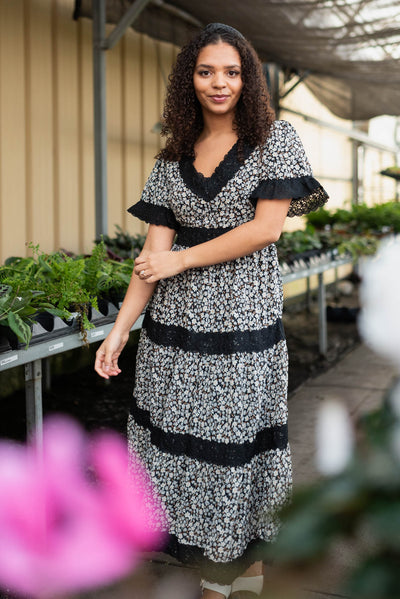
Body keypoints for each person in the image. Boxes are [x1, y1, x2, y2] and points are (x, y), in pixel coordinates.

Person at [95, 23, 328, 599]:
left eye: (230, 71)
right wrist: (120, 330)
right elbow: (151, 259)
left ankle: (235, 578)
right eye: (205, 71)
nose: (218, 83)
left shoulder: (276, 140)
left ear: (247, 79)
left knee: (236, 453)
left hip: (242, 335)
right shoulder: (171, 159)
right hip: (173, 341)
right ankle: (222, 579)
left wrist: (182, 260)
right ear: (188, 80)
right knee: (184, 457)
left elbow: (265, 229)